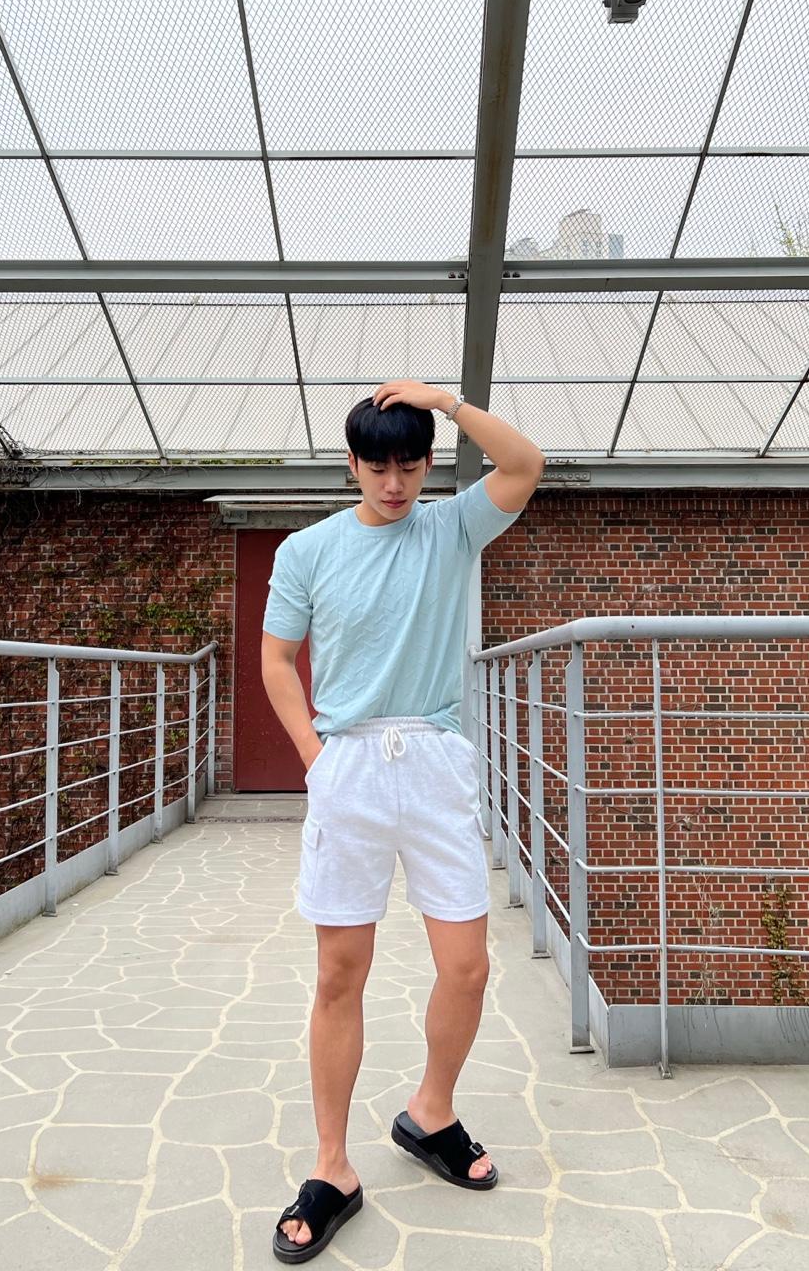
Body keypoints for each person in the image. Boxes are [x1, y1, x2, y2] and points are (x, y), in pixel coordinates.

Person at [261, 379, 544, 1263]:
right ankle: (332, 1166)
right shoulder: (307, 550)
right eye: (378, 466)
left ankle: (431, 1112)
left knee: (466, 966)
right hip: (347, 760)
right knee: (339, 973)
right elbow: (276, 659)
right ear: (352, 464)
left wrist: (448, 403)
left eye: (411, 466)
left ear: (427, 466)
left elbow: (526, 464)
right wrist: (316, 758)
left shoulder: (451, 527)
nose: (394, 484)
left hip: (433, 759)